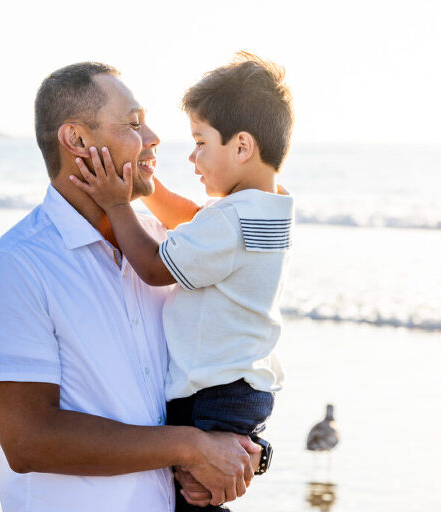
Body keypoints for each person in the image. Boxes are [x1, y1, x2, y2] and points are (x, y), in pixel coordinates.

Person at [0, 62, 262, 512]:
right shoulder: (13, 265)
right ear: (78, 141)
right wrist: (190, 446)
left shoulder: (165, 251)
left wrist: (241, 453)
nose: (154, 138)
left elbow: (211, 375)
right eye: (134, 124)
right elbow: (28, 440)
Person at [69, 53, 294, 511]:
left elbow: (154, 267)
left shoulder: (231, 220)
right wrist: (149, 190)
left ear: (242, 146)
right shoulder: (268, 206)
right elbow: (195, 222)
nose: (192, 157)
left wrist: (118, 204)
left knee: (194, 500)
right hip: (240, 389)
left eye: (200, 142)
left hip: (213, 392)